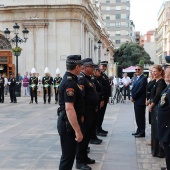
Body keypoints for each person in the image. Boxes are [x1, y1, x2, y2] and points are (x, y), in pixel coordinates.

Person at [57, 55, 83, 170]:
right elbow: (69, 108)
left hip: (68, 121)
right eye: (81, 66)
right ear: (77, 67)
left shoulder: (71, 79)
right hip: (68, 123)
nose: (81, 68)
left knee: (69, 155)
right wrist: (77, 131)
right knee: (67, 157)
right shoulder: (70, 82)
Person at [76, 58, 98, 170]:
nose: (93, 68)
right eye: (91, 66)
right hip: (86, 113)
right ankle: (79, 161)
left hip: (91, 112)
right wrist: (82, 114)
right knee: (83, 137)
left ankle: (84, 157)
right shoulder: (81, 79)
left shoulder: (88, 78)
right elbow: (81, 99)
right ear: (85, 67)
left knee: (87, 136)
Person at [148, 64, 166, 158]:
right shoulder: (156, 80)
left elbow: (158, 95)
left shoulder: (161, 82)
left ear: (160, 72)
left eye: (155, 71)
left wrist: (151, 105)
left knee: (156, 129)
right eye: (153, 71)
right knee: (153, 129)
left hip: (156, 107)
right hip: (154, 106)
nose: (154, 73)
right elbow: (150, 90)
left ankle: (158, 151)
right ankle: (154, 150)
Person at [157, 66, 170, 170]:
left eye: (167, 74)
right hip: (164, 122)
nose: (165, 76)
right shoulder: (168, 87)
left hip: (167, 124)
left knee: (167, 146)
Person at [131, 64, 147, 137]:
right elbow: (133, 88)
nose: (137, 71)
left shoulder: (143, 78)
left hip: (140, 101)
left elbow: (141, 89)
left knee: (141, 117)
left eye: (138, 69)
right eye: (136, 69)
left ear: (142, 70)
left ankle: (142, 131)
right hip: (136, 101)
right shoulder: (136, 78)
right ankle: (138, 130)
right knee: (137, 117)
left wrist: (134, 97)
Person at [96, 61, 111, 137]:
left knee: (102, 114)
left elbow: (108, 87)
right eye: (102, 66)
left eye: (105, 66)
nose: (104, 68)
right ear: (99, 66)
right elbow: (100, 88)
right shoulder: (98, 75)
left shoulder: (104, 75)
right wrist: (101, 99)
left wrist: (107, 97)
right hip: (101, 98)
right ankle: (97, 129)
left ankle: (99, 127)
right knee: (99, 114)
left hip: (105, 97)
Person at [90, 64, 104, 144]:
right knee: (92, 122)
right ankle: (92, 137)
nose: (100, 72)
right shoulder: (93, 79)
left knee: (95, 120)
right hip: (94, 103)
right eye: (98, 71)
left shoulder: (96, 79)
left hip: (97, 101)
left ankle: (93, 136)